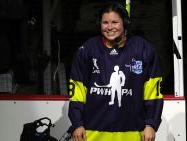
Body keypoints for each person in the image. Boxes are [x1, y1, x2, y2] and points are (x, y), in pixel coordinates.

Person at [68, 1, 163, 141]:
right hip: (92, 134)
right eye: (105, 22)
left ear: (125, 23)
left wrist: (150, 124)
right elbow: (77, 91)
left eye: (115, 22)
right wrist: (77, 123)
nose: (110, 27)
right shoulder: (87, 50)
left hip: (134, 133)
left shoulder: (143, 49)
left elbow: (153, 90)